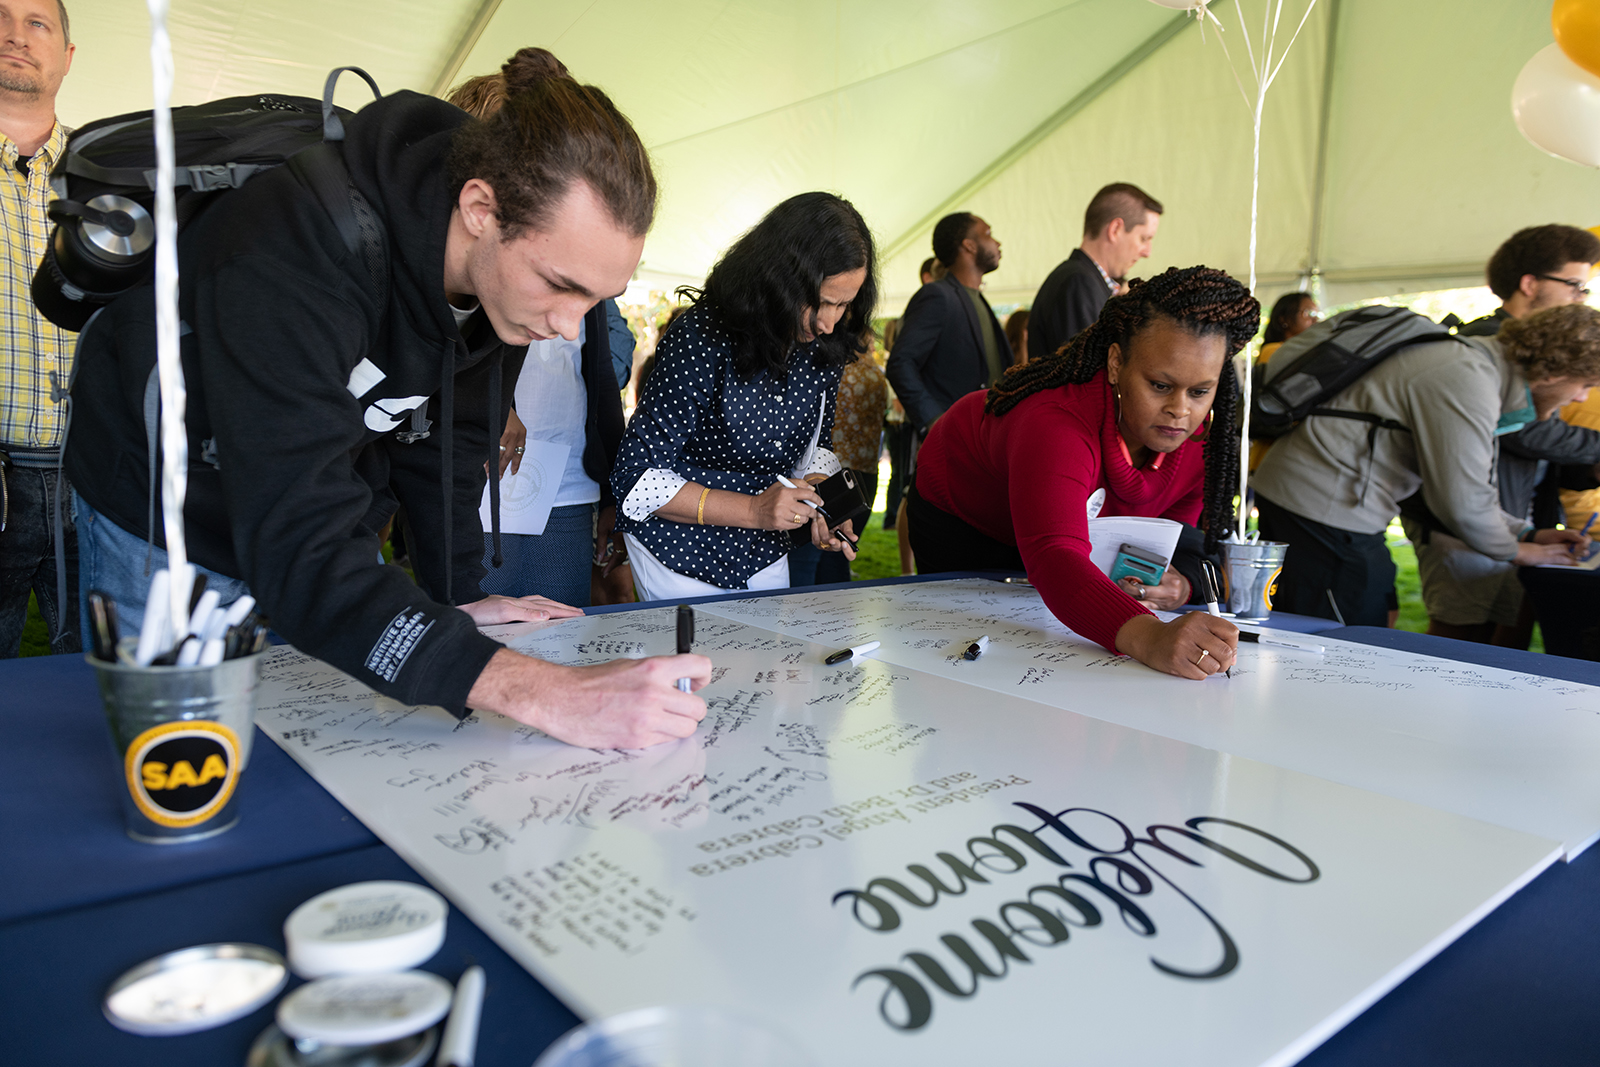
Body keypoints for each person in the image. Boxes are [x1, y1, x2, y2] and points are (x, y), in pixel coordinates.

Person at [66, 50, 711, 748]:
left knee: (314, 736)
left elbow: (448, 441)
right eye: (560, 283)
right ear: (479, 209)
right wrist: (544, 691)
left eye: (596, 298)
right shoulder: (296, 244)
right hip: (165, 504)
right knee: (175, 755)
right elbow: (302, 552)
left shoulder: (500, 287)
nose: (568, 325)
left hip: (305, 507)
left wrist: (459, 594)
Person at [908, 266, 1257, 680]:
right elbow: (1055, 556)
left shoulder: (1201, 444)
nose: (1181, 410)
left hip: (1065, 535)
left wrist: (1173, 586)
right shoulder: (1057, 422)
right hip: (965, 517)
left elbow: (1159, 544)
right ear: (1115, 364)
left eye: (1200, 391)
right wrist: (1150, 637)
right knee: (976, 652)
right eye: (1160, 385)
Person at [1253, 304, 1600, 628]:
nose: (1582, 397)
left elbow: (1460, 489)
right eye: (1585, 384)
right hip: (1323, 512)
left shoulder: (1473, 366)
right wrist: (1521, 552)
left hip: (1321, 508)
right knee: (1343, 645)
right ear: (1555, 372)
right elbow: (1463, 502)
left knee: (1373, 617)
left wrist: (1528, 533)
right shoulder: (1468, 378)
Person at [610, 192, 876, 600]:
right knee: (698, 664)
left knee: (768, 661)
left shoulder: (825, 344)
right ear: (779, 280)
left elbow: (816, 445)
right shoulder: (701, 337)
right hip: (679, 549)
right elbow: (636, 480)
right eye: (821, 303)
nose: (829, 323)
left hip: (764, 547)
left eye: (844, 305)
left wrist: (821, 494)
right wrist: (753, 510)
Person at [446, 56, 633, 609]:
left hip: (568, 477)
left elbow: (602, 369)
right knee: (479, 628)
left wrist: (607, 486)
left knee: (559, 630)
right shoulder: (464, 272)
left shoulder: (583, 264)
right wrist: (489, 403)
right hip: (481, 477)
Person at [1415, 225, 1600, 643]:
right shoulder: (1484, 349)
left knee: (1505, 630)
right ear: (1530, 284)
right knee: (1462, 635)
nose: (1581, 298)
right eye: (1575, 285)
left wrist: (1530, 531)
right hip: (1462, 521)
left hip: (1505, 514)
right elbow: (1529, 433)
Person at [0, 0, 76, 655]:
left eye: (37, 22)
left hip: (97, 476)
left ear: (67, 56)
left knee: (100, 679)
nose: (15, 35)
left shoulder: (112, 174)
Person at [792, 327, 888, 586]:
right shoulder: (875, 374)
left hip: (828, 471)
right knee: (835, 556)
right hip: (863, 470)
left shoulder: (833, 368)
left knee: (808, 558)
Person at [1028, 183, 1163, 361]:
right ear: (1115, 230)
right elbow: (1087, 371)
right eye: (1144, 238)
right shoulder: (1078, 283)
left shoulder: (1088, 282)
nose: (1147, 252)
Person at [1247, 291, 1319, 473]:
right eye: (1308, 314)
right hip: (1272, 454)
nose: (1315, 320)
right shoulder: (1274, 351)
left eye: (1316, 314)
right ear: (1284, 319)